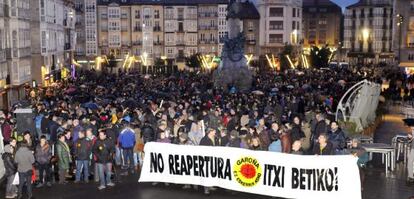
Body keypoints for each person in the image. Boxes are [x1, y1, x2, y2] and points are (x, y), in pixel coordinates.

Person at [199, 128, 217, 195]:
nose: (215, 132)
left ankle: (210, 185)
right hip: (206, 159)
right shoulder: (204, 140)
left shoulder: (215, 138)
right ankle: (206, 188)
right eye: (214, 131)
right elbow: (201, 149)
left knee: (212, 172)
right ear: (210, 132)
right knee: (206, 174)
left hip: (213, 158)